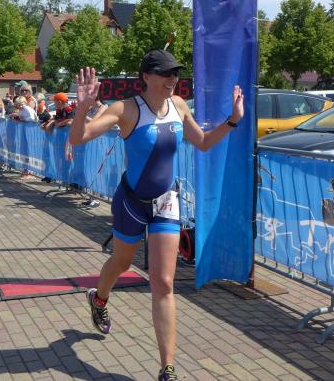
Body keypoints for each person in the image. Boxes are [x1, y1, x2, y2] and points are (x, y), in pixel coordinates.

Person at [68, 50, 244, 381]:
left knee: (163, 283)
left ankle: (167, 368)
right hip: (131, 203)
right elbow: (78, 137)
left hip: (166, 202)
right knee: (121, 263)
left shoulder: (179, 106)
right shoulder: (126, 109)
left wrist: (233, 119)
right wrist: (82, 108)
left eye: (175, 73)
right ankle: (99, 299)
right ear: (146, 77)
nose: (172, 79)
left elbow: (203, 142)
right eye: (165, 73)